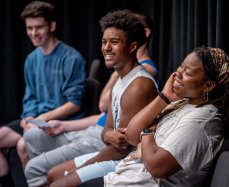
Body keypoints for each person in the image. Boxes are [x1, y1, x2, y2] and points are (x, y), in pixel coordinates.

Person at [21, 11, 159, 187]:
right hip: (115, 153)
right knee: (53, 174)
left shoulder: (138, 85)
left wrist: (83, 166)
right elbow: (106, 131)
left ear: (132, 47)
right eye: (104, 42)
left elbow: (121, 149)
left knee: (57, 182)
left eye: (114, 42)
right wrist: (107, 135)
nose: (106, 48)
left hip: (129, 163)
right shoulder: (121, 79)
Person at [100, 46, 229, 186]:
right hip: (123, 178)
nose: (178, 73)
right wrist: (164, 97)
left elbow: (156, 167)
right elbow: (131, 135)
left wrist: (147, 132)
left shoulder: (202, 121)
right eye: (181, 66)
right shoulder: (182, 103)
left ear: (208, 86)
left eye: (188, 73)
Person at [0, 0, 86, 182]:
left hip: (60, 121)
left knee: (23, 145)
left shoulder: (71, 58)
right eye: (29, 28)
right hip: (36, 120)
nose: (33, 33)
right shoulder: (31, 59)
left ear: (52, 26)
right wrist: (27, 119)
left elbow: (74, 104)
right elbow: (30, 97)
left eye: (38, 27)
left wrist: (41, 120)